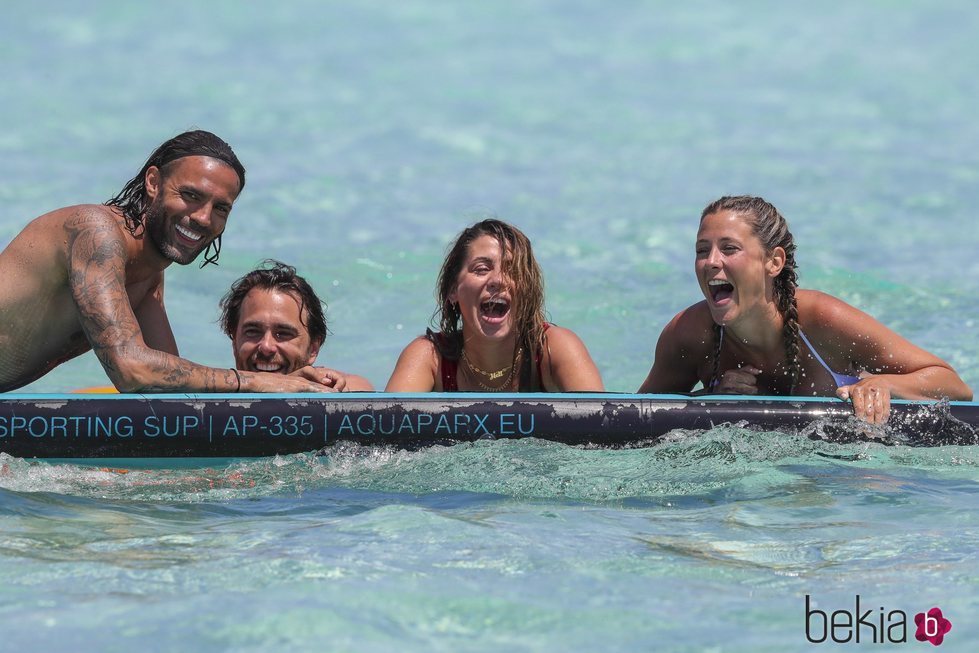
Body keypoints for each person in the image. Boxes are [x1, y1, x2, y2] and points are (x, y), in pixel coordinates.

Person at [0, 130, 335, 393]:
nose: (204, 218)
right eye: (191, 195)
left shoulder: (148, 277)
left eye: (221, 208)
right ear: (153, 182)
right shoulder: (95, 233)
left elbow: (171, 387)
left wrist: (294, 385)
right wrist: (258, 382)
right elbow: (131, 370)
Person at [637, 195, 973, 423]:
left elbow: (955, 386)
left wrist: (885, 385)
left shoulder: (823, 320)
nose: (710, 262)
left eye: (729, 249)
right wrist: (711, 398)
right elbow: (634, 420)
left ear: (774, 261)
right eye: (701, 250)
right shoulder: (690, 335)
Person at [386, 218, 603, 392]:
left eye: (512, 271)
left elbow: (604, 429)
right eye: (481, 269)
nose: (498, 280)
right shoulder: (431, 358)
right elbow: (384, 436)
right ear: (453, 290)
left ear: (527, 291)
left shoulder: (552, 349)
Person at [219, 260, 373, 391]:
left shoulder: (339, 388)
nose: (266, 346)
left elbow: (357, 386)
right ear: (234, 341)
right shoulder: (206, 396)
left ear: (313, 348)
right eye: (252, 331)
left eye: (283, 333)